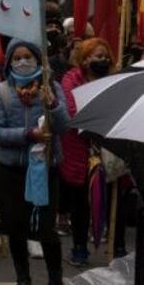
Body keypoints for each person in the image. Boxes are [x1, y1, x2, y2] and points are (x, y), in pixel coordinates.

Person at [0, 39, 69, 285]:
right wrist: (28, 134)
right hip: (11, 172)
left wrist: (52, 105)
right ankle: (23, 278)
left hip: (44, 171)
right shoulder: (1, 91)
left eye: (28, 57)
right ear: (9, 62)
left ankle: (55, 278)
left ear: (38, 59)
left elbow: (64, 126)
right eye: (17, 58)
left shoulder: (51, 87)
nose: (22, 62)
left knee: (47, 230)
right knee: (16, 229)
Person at [60, 37, 114, 267]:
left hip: (106, 148)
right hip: (78, 149)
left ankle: (116, 247)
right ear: (84, 59)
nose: (103, 60)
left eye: (106, 56)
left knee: (108, 197)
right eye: (98, 56)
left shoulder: (113, 81)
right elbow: (73, 112)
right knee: (80, 201)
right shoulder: (71, 79)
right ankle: (80, 247)